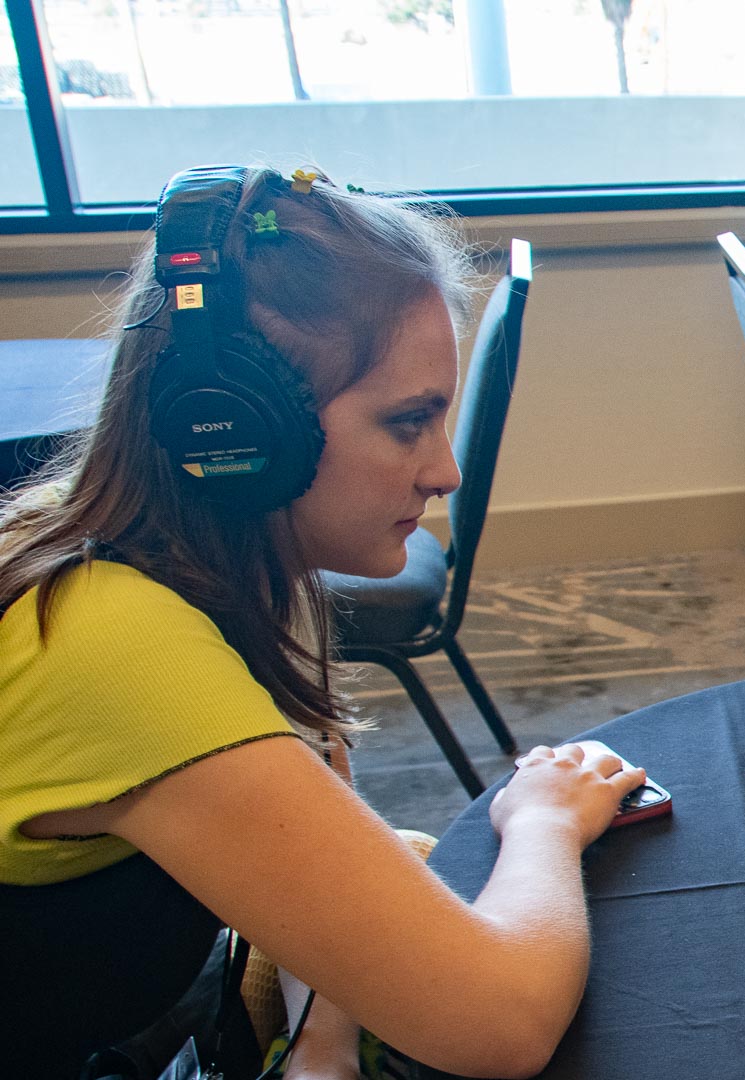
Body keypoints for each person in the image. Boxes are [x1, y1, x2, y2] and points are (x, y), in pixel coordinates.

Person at [0, 167, 647, 1079]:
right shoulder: (112, 649)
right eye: (408, 422)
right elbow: (502, 1021)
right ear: (235, 431)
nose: (444, 471)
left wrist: (324, 1053)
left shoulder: (185, 555)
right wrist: (543, 818)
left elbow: (311, 800)